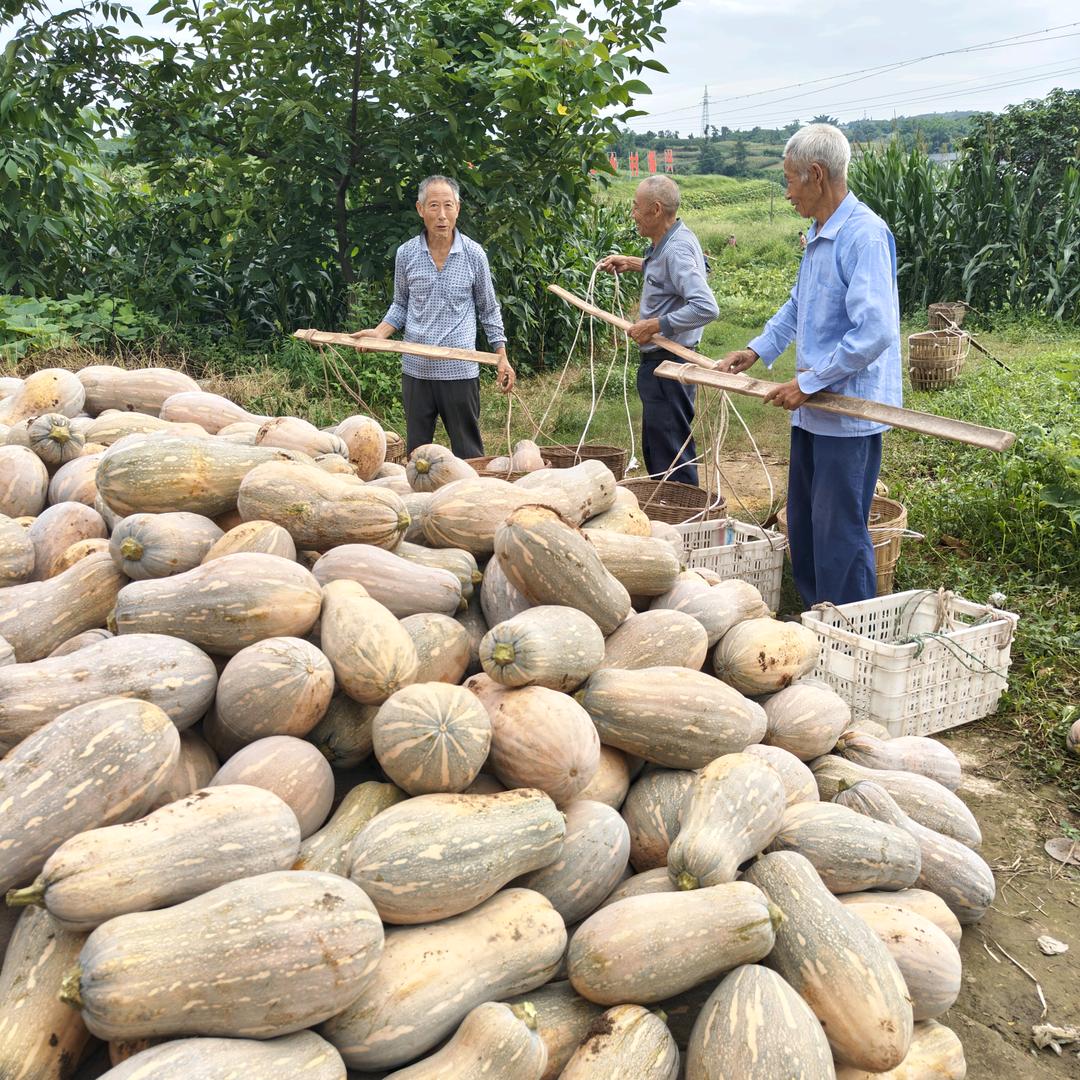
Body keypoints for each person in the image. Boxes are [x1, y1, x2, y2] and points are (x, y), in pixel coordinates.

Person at [719, 123, 902, 606]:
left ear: (816, 174)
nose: (787, 193)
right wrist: (756, 350)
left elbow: (875, 331)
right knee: (804, 523)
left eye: (789, 180)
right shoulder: (820, 234)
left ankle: (850, 625)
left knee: (838, 530)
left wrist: (810, 382)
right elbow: (799, 305)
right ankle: (816, 617)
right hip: (813, 410)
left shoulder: (864, 236)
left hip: (848, 411)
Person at [352, 175, 515, 458]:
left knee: (469, 454)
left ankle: (470, 488)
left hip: (459, 370)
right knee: (418, 455)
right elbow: (400, 305)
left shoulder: (474, 254)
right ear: (420, 209)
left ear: (458, 209)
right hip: (416, 371)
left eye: (448, 205)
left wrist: (502, 356)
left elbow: (489, 309)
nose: (441, 215)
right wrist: (379, 333)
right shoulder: (406, 254)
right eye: (434, 206)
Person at [599, 175, 719, 485]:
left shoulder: (676, 249)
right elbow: (669, 273)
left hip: (670, 366)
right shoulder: (672, 240)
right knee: (659, 450)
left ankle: (683, 509)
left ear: (655, 209)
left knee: (671, 455)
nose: (633, 214)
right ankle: (666, 505)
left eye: (636, 207)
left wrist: (655, 324)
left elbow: (706, 307)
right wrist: (632, 262)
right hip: (661, 366)